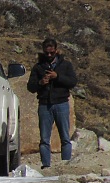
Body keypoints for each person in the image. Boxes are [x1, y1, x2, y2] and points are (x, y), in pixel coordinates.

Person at [27, 38, 78, 169]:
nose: (49, 55)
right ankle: (46, 165)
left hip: (61, 103)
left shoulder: (65, 65)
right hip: (44, 105)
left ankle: (65, 165)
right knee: (44, 139)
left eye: (52, 53)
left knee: (65, 137)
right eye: (47, 53)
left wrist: (58, 77)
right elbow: (30, 87)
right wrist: (40, 83)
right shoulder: (38, 67)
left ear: (56, 51)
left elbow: (72, 82)